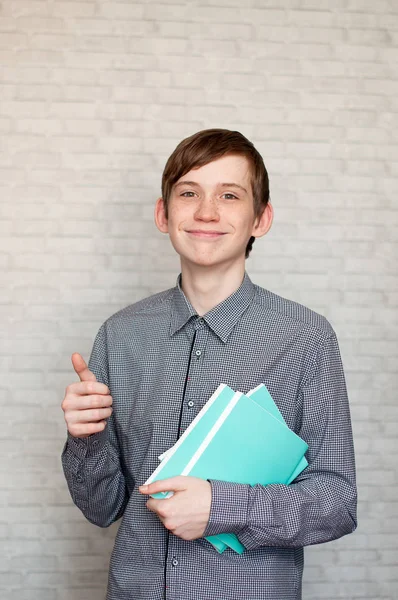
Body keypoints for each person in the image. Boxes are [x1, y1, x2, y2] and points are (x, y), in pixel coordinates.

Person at [61, 128, 357, 600]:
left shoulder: (306, 338)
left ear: (261, 219)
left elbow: (337, 503)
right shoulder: (119, 335)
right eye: (189, 193)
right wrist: (86, 440)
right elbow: (101, 509)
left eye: (230, 195)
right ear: (163, 213)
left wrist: (222, 505)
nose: (206, 211)